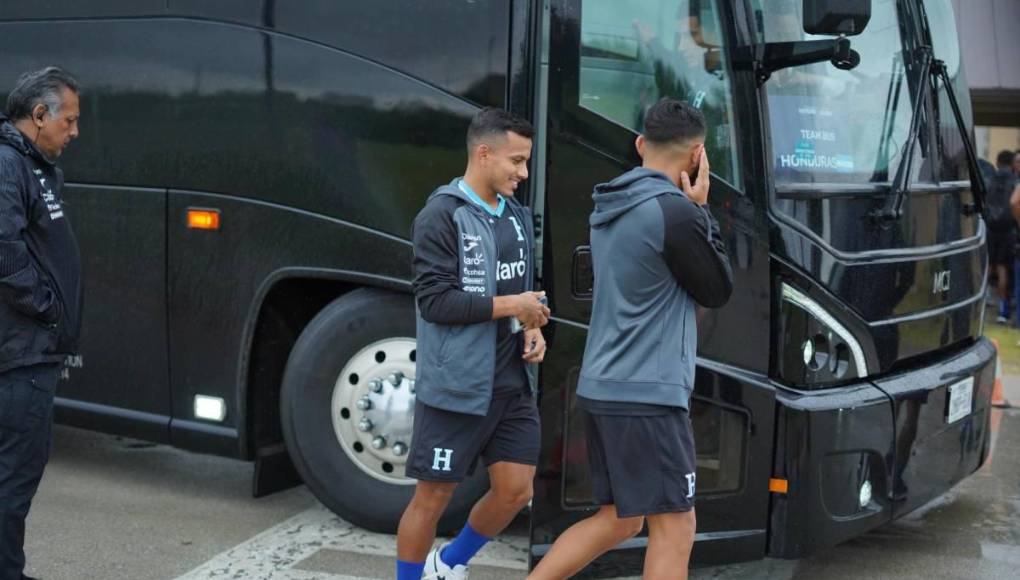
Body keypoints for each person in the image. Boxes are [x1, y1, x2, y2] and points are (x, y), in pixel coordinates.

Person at [528, 98, 732, 580]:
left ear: (641, 144)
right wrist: (703, 209)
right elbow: (717, 288)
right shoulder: (675, 213)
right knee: (676, 526)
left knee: (620, 519)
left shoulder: (610, 205)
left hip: (604, 385)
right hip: (648, 394)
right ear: (697, 155)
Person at [396, 108, 550, 580]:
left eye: (526, 161)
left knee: (516, 491)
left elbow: (521, 284)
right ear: (484, 154)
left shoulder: (516, 215)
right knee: (433, 498)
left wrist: (531, 324)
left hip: (512, 383)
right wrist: (513, 306)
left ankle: (448, 564)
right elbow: (436, 302)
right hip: (458, 386)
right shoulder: (441, 215)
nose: (524, 173)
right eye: (516, 161)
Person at [0, 66, 82, 580]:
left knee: (14, 477)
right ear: (38, 115)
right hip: (21, 354)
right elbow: (2, 249)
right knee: (13, 479)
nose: (74, 132)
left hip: (30, 351)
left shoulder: (29, 165)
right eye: (68, 120)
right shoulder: (8, 164)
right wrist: (47, 307)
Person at [986, 150, 1018, 323]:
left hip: (990, 228)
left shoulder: (989, 179)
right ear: (1012, 163)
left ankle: (982, 301)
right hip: (1007, 230)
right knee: (1002, 268)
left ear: (997, 162)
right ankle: (1002, 311)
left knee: (988, 266)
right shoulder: (1014, 181)